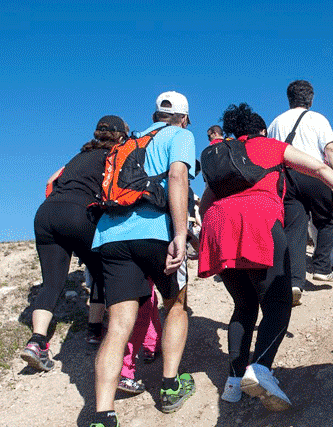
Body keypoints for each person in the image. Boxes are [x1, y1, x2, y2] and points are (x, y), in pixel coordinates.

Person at [198, 103, 333, 408]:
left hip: (219, 226)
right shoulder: (270, 145)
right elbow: (319, 167)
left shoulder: (224, 155)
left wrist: (197, 238)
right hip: (258, 221)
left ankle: (233, 383)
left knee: (243, 305)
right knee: (278, 303)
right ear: (261, 130)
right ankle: (260, 369)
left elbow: (207, 202)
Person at [90, 91, 196, 427]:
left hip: (110, 236)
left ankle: (103, 414)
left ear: (155, 115)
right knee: (175, 304)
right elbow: (178, 177)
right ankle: (169, 386)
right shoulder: (180, 135)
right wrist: (180, 234)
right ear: (182, 117)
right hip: (153, 232)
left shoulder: (127, 141)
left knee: (118, 325)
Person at [20, 115, 128, 372]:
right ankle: (94, 330)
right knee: (102, 271)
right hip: (78, 213)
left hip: (46, 213)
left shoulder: (78, 156)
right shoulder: (113, 156)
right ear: (120, 136)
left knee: (52, 283)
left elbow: (50, 180)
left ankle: (36, 342)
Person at [267, 80, 333, 305]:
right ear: (310, 99)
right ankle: (322, 267)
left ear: (289, 98)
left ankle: (294, 282)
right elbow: (330, 149)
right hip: (315, 174)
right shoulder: (318, 119)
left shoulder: (276, 123)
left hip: (287, 178)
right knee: (328, 219)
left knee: (295, 229)